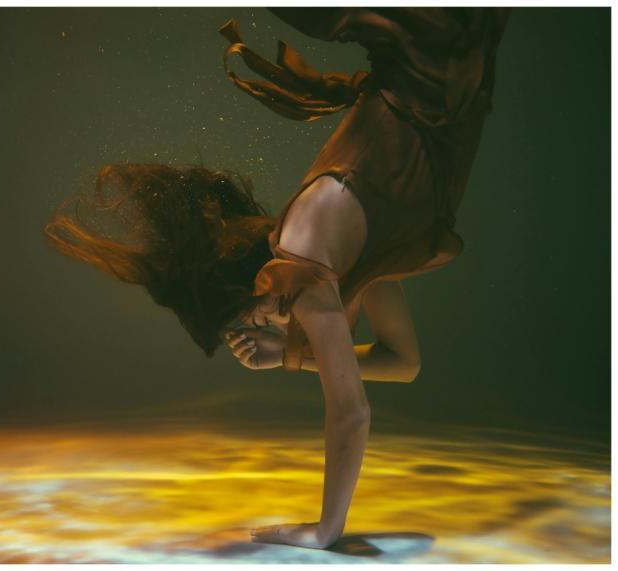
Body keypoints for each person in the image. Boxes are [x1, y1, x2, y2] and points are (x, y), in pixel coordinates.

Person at [45, 7, 510, 550]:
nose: (273, 322)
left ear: (260, 281)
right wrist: (287, 356)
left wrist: (324, 531)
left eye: (257, 315)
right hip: (441, 75)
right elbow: (403, 363)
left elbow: (352, 413)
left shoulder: (305, 272)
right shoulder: (333, 253)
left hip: (436, 68)